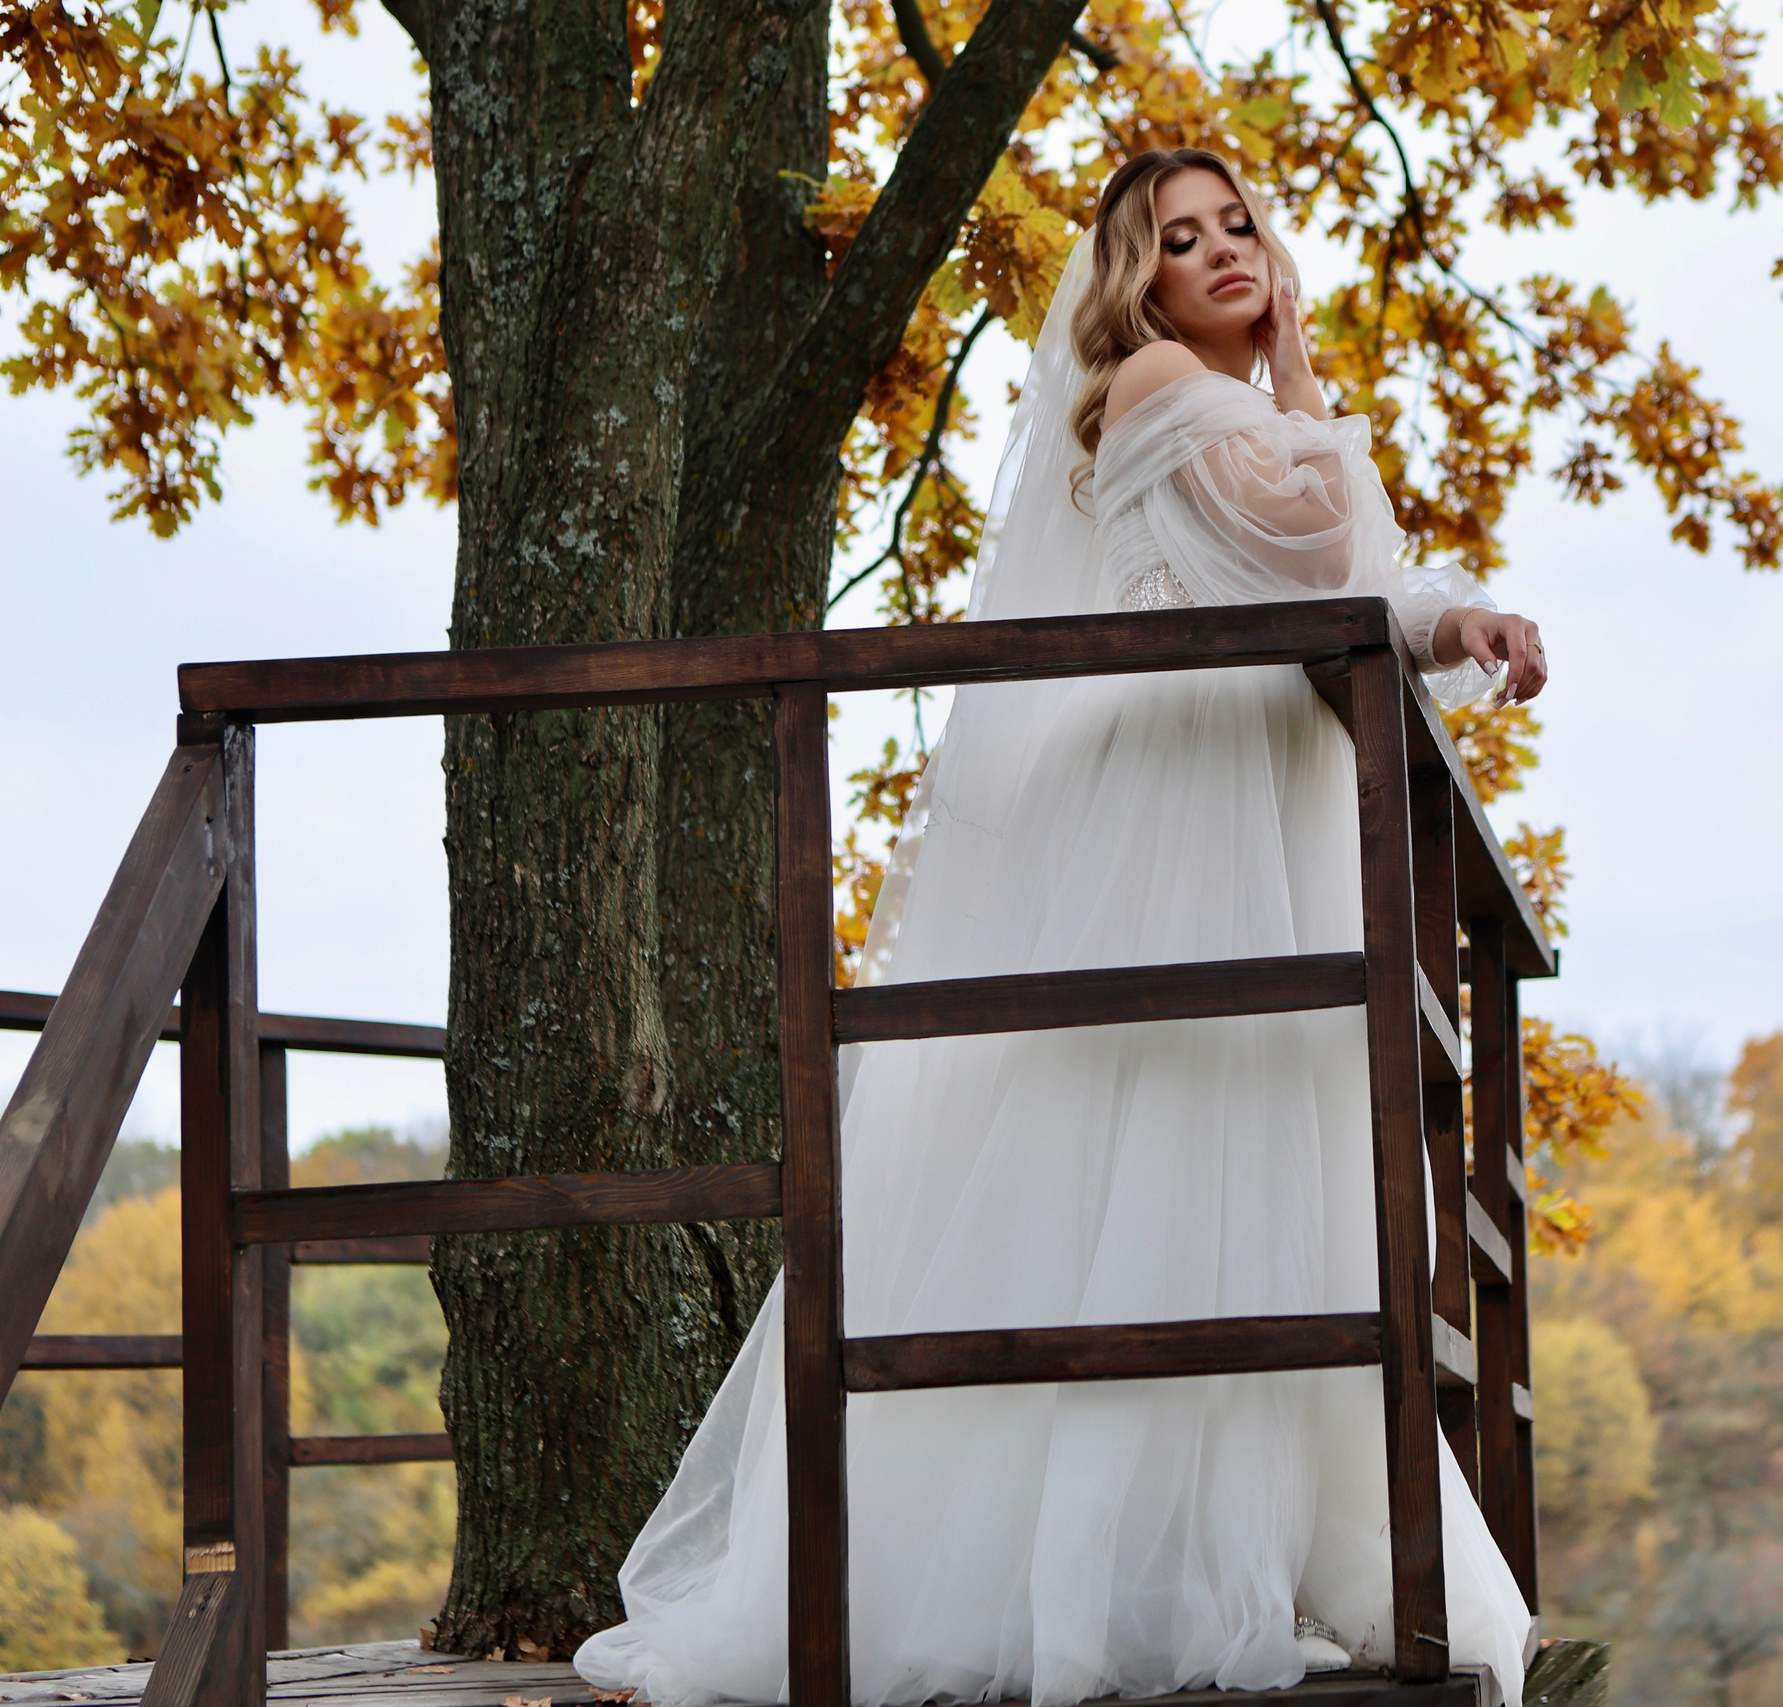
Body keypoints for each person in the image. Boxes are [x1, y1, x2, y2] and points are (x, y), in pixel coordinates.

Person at [572, 147, 1549, 1707]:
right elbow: (1303, 550)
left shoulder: (1246, 416)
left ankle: (1196, 1551)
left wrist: (1459, 617)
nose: (1225, 250)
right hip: (1172, 815)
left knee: (1247, 1167)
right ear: (1138, 284)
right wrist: (1300, 383)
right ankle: (1073, 1593)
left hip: (1258, 813)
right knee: (1139, 1160)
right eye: (1182, 238)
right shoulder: (1162, 384)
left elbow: (1351, 584)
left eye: (1242, 225)